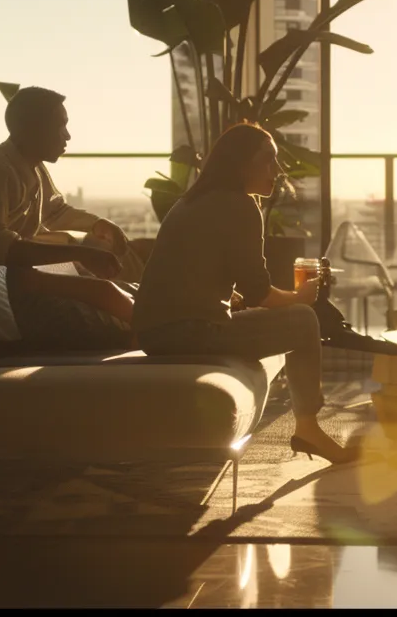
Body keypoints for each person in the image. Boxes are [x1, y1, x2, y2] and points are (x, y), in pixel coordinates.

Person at [134, 123, 363, 465]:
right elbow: (259, 293)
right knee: (303, 320)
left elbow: (207, 277)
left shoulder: (193, 201)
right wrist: (301, 297)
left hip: (155, 331)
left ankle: (308, 428)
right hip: (188, 332)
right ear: (241, 164)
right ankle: (308, 429)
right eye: (268, 161)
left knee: (294, 314)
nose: (277, 171)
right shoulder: (239, 205)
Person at [0, 87, 138, 350]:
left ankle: (149, 333)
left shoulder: (32, 167)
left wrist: (98, 224)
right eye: (60, 126)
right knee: (106, 294)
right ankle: (149, 340)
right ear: (31, 129)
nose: (67, 135)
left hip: (14, 273)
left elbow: (55, 211)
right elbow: (0, 247)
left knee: (122, 290)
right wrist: (82, 254)